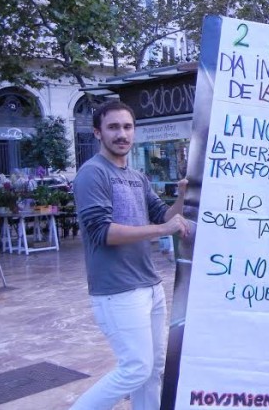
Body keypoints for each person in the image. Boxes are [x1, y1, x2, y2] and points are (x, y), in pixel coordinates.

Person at [71, 100, 190, 410]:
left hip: (149, 285)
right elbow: (103, 232)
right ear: (97, 132)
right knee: (135, 368)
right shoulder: (92, 173)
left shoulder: (137, 177)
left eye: (127, 127)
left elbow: (165, 216)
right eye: (113, 127)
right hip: (117, 290)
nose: (121, 134)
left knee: (152, 371)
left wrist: (181, 196)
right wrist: (162, 230)